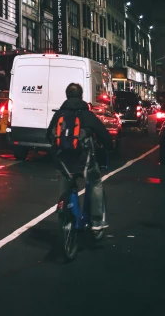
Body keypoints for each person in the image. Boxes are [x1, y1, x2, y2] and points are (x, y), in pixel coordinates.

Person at [47, 82, 113, 232]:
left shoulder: (59, 115)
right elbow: (104, 135)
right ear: (81, 96)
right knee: (95, 182)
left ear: (67, 95)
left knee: (66, 180)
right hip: (84, 162)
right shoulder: (87, 115)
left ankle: (64, 212)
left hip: (63, 162)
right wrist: (109, 147)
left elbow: (48, 135)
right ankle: (96, 221)